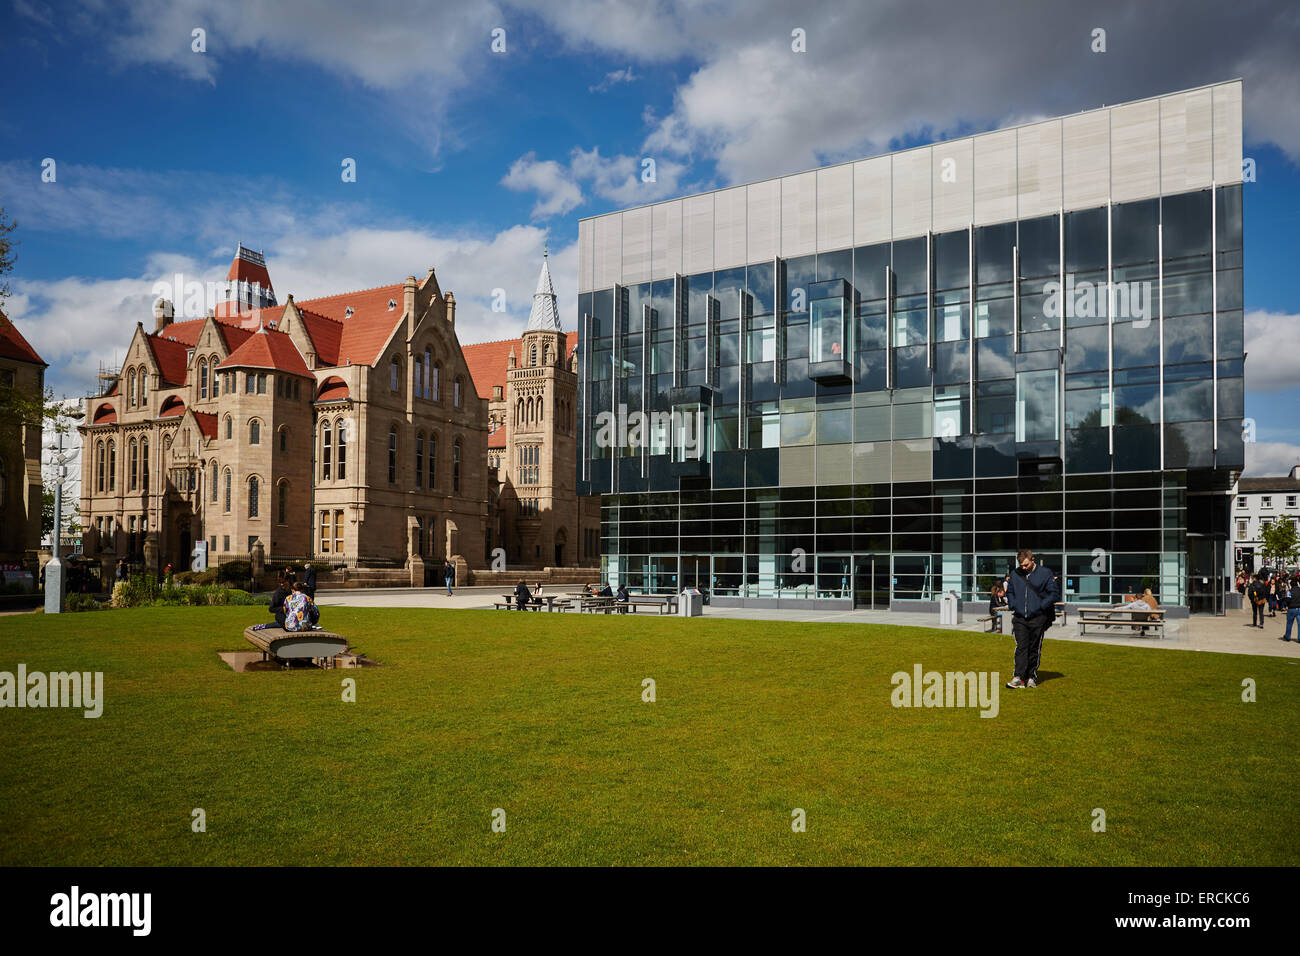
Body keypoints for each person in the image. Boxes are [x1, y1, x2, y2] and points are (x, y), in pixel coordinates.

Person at [1003, 549, 1060, 689]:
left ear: (1032, 560)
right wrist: (1012, 604)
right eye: (1021, 565)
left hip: (1038, 617)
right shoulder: (1015, 574)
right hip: (1020, 617)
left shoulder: (1045, 573)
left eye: (1026, 565)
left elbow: (1054, 594)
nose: (1023, 568)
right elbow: (1010, 592)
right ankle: (1018, 677)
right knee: (1021, 647)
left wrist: (1041, 606)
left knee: (1034, 648)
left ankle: (1031, 677)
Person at [1283, 574, 1300, 642]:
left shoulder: (1289, 591)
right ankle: (1299, 637)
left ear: (1291, 585)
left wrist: (1286, 604)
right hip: (1299, 608)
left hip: (1291, 608)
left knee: (1289, 623)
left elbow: (1287, 600)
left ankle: (1288, 636)